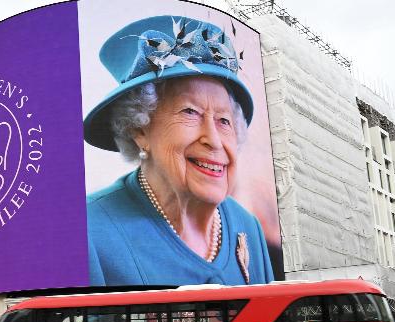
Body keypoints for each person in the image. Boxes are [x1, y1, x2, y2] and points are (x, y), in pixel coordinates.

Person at [83, 15, 274, 286]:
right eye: (191, 112)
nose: (215, 140)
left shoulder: (248, 228)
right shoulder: (89, 232)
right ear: (139, 129)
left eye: (224, 120)